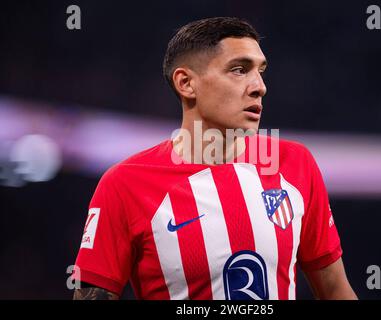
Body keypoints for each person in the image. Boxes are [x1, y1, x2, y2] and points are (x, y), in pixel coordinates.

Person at [72, 17, 357, 300]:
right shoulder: (125, 184)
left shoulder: (295, 164)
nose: (259, 86)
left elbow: (335, 291)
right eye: (239, 70)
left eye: (261, 71)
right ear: (186, 83)